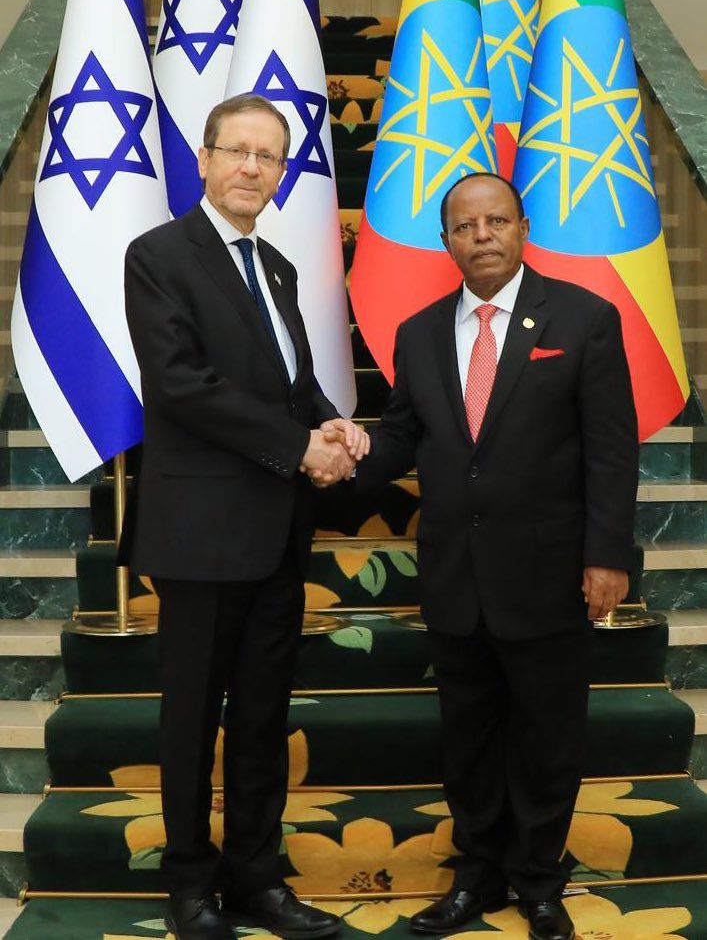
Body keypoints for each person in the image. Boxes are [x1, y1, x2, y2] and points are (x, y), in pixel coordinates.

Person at [349, 173, 638, 940]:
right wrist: (343, 451)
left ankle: (538, 882)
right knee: (469, 737)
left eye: (496, 221)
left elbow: (611, 451)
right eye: (464, 226)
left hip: (550, 572)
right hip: (455, 574)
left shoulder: (583, 318)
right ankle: (476, 876)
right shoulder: (417, 332)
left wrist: (607, 555)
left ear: (522, 228)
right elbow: (401, 437)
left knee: (546, 737)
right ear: (445, 240)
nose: (481, 236)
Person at [120, 93, 367, 940]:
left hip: (275, 531)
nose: (252, 168)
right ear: (205, 158)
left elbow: (288, 387)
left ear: (282, 172)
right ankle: (189, 885)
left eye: (269, 156)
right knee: (191, 720)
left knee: (263, 716)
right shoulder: (158, 256)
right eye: (238, 151)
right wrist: (299, 447)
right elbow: (182, 385)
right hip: (198, 534)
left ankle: (257, 879)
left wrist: (331, 424)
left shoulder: (279, 267)